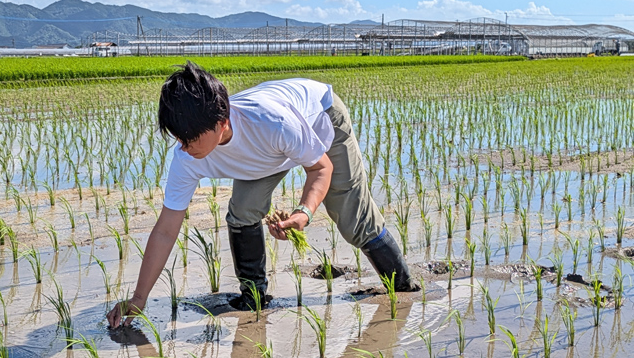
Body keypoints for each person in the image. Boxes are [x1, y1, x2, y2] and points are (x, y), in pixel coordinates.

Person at [106, 61, 417, 328]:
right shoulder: (187, 156)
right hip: (268, 151)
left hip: (320, 119)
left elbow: (320, 170)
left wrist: (303, 214)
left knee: (352, 218)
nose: (184, 148)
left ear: (221, 122)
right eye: (179, 139)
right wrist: (139, 298)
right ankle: (254, 298)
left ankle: (404, 286)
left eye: (191, 139)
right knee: (243, 210)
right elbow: (165, 230)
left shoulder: (272, 123)